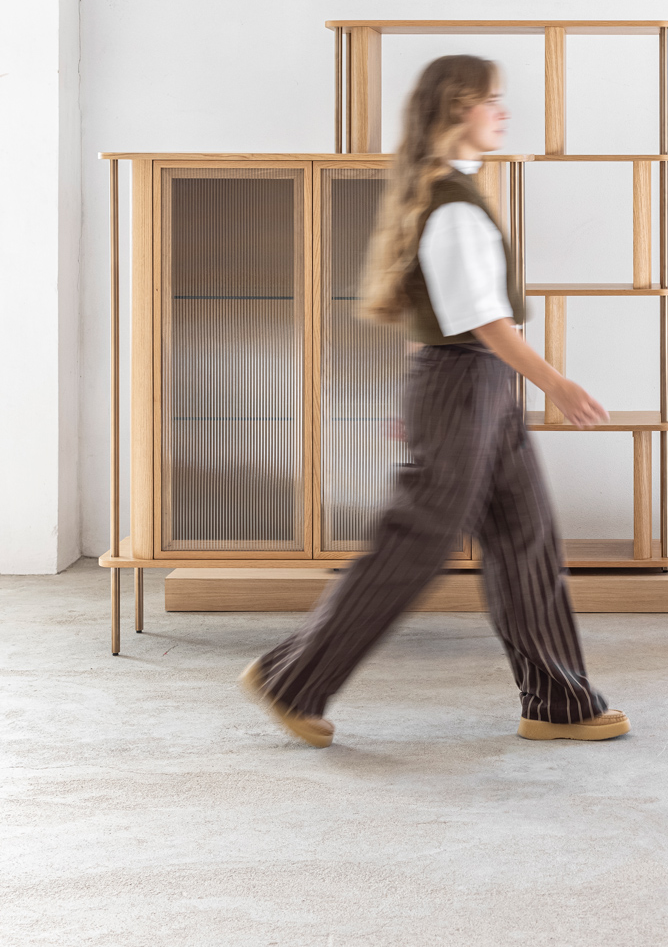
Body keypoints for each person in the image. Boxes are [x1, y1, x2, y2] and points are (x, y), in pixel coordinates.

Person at [241, 53, 629, 747]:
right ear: (456, 108)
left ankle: (557, 702)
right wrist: (557, 384)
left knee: (526, 538)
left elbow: (445, 313)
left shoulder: (455, 190)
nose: (502, 112)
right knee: (417, 542)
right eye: (490, 100)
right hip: (467, 384)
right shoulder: (452, 205)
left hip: (475, 388)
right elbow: (485, 321)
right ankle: (291, 679)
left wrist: (432, 400)